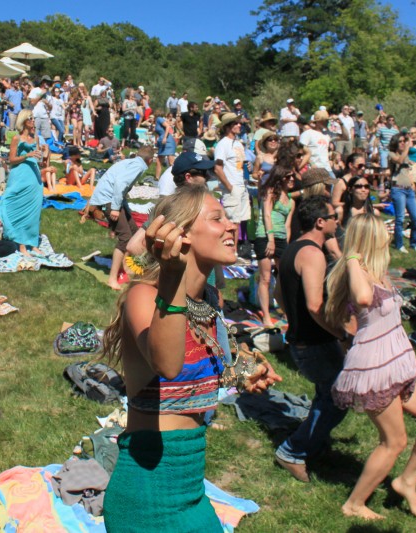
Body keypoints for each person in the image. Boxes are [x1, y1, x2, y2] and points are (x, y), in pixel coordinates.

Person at [101, 185, 279, 531]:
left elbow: (200, 361)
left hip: (189, 482)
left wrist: (241, 373)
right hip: (149, 491)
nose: (231, 226)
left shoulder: (208, 300)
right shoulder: (145, 296)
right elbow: (167, 366)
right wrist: (171, 275)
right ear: (181, 234)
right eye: (217, 218)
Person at [325, 214, 416, 519]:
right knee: (394, 441)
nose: (387, 234)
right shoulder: (357, 271)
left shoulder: (377, 269)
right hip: (375, 369)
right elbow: (363, 297)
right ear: (370, 237)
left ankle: (406, 480)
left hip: (399, 361)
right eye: (382, 230)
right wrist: (353, 254)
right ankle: (353, 504)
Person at [275, 196, 348, 482]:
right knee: (337, 399)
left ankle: (312, 439)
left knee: (326, 395)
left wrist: (293, 320)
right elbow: (316, 306)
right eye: (333, 217)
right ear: (320, 221)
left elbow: (280, 294)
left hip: (303, 339)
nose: (337, 222)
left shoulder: (293, 248)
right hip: (315, 343)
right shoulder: (313, 254)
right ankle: (292, 451)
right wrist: (342, 334)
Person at [89, 146, 155, 290]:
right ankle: (112, 279)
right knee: (125, 238)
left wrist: (124, 207)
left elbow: (121, 185)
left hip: (113, 198)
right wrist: (115, 208)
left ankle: (126, 267)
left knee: (134, 231)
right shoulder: (138, 166)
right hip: (109, 199)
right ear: (150, 160)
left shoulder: (134, 162)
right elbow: (120, 184)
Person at [0, 110, 47, 255]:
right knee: (17, 206)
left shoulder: (36, 138)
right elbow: (11, 160)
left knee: (34, 210)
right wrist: (27, 155)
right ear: (24, 121)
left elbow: (38, 160)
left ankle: (33, 244)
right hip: (20, 175)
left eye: (33, 118)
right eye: (30, 118)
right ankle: (20, 244)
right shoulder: (16, 139)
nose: (33, 121)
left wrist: (43, 158)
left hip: (34, 177)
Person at [253, 166, 295, 327]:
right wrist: (270, 238)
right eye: (287, 177)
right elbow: (267, 214)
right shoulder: (270, 192)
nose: (291, 179)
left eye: (292, 177)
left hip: (281, 238)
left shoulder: (291, 200)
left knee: (284, 277)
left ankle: (286, 311)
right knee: (266, 277)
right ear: (280, 178)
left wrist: (287, 245)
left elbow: (288, 225)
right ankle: (266, 316)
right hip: (265, 235)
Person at [214, 113, 250, 249]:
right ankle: (231, 251)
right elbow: (218, 168)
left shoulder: (238, 144)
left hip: (242, 184)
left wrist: (249, 168)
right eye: (236, 123)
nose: (239, 125)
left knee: (239, 220)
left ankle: (235, 250)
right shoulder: (222, 145)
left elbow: (240, 164)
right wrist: (229, 186)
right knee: (232, 221)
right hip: (232, 186)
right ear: (228, 127)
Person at [388, 133, 416, 253]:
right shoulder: (391, 154)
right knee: (400, 219)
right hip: (398, 189)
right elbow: (399, 160)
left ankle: (414, 243)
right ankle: (399, 244)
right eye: (401, 141)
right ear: (395, 143)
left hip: (409, 190)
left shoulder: (406, 156)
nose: (403, 143)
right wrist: (408, 146)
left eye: (404, 141)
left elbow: (407, 171)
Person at [332, 152, 367, 220]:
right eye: (360, 166)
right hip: (346, 214)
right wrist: (352, 204)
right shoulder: (341, 183)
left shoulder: (363, 181)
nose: (363, 168)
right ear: (351, 165)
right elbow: (334, 203)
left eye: (364, 166)